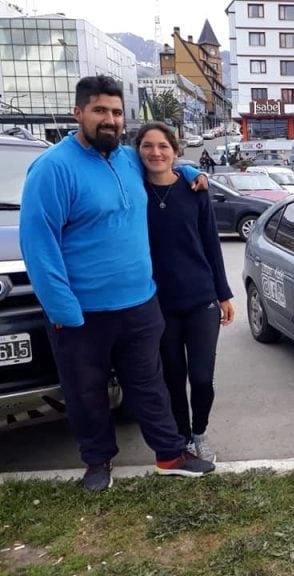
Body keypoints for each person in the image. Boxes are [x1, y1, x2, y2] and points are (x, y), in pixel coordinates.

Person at [19, 75, 215, 492]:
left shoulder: (127, 158)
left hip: (141, 304)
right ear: (79, 113)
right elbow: (39, 245)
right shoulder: (53, 169)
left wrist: (194, 169)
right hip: (83, 312)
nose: (109, 120)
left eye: (115, 112)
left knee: (149, 385)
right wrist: (63, 310)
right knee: (87, 392)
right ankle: (97, 462)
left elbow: (166, 162)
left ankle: (170, 455)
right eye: (99, 111)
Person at [135, 122, 235, 463]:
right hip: (158, 303)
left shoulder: (196, 190)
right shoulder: (134, 192)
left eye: (163, 146)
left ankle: (200, 433)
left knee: (202, 377)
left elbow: (211, 243)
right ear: (138, 152)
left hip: (201, 299)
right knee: (173, 378)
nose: (155, 152)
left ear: (175, 150)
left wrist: (224, 294)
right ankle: (181, 441)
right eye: (147, 146)